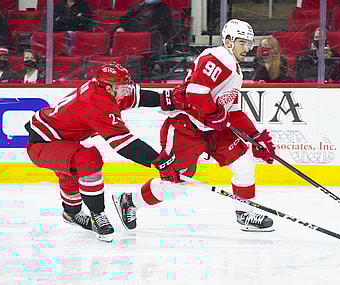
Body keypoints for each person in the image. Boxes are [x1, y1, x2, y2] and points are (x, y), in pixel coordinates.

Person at [113, 19, 275, 232]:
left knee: (244, 164)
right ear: (228, 41)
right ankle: (129, 201)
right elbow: (196, 93)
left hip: (211, 129)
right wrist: (214, 114)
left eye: (249, 44)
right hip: (186, 127)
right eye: (242, 43)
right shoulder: (218, 57)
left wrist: (255, 137)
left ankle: (245, 214)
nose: (247, 48)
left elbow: (232, 111)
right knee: (174, 187)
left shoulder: (234, 68)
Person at [24, 62, 172, 242]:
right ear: (109, 88)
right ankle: (97, 214)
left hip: (61, 139)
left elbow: (140, 97)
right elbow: (124, 143)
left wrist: (172, 100)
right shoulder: (97, 102)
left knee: (72, 166)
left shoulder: (105, 89)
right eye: (122, 87)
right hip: (42, 144)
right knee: (88, 159)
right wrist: (159, 160)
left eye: (126, 84)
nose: (127, 90)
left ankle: (72, 214)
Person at [115, 0, 174, 72]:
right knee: (118, 32)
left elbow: (162, 24)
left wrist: (145, 32)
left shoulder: (163, 7)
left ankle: (156, 63)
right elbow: (125, 19)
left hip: (151, 34)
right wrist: (122, 27)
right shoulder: (138, 6)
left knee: (154, 34)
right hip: (134, 32)